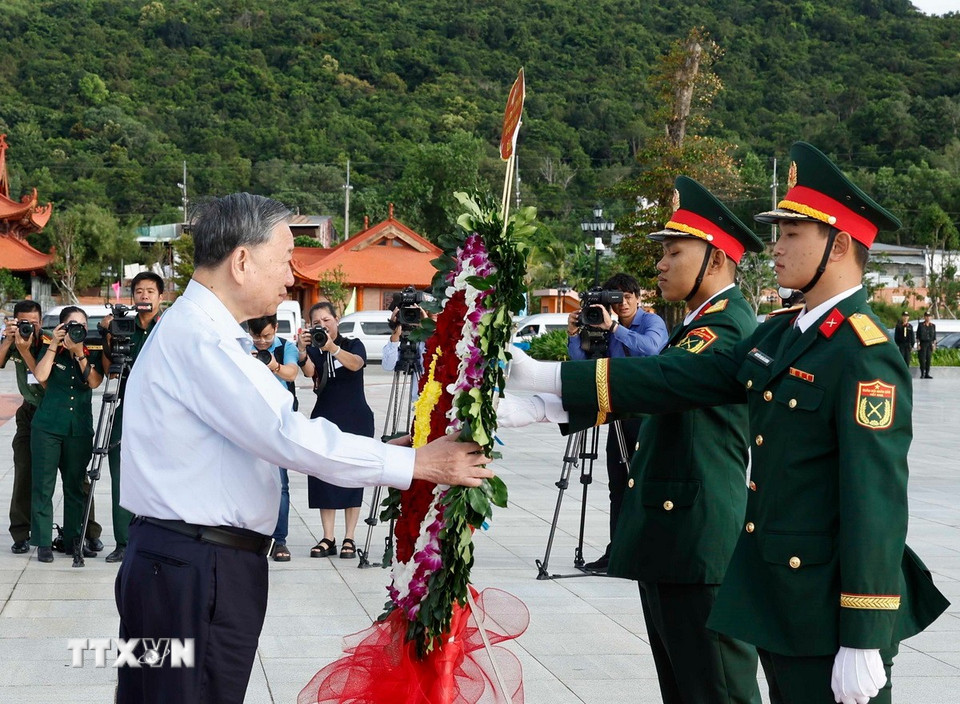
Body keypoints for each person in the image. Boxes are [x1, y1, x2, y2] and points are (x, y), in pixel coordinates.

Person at [503, 143, 949, 704]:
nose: (776, 246)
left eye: (792, 234)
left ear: (839, 246)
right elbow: (688, 379)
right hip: (777, 590)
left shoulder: (864, 350)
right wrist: (550, 395)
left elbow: (876, 501)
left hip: (827, 602)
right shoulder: (787, 332)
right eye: (779, 231)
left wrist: (865, 635)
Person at [114, 192, 492, 704]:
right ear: (242, 261)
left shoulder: (206, 332)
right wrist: (416, 464)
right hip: (189, 571)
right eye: (286, 259)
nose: (292, 277)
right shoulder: (199, 340)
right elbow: (286, 437)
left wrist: (390, 449)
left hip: (191, 564)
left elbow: (272, 429)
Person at [608, 176, 764, 704]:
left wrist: (548, 384)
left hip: (699, 541)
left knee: (716, 691)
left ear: (716, 259)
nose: (660, 264)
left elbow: (659, 382)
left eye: (675, 251)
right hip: (679, 537)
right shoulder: (698, 324)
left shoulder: (724, 329)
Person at [565, 272, 668, 571]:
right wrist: (575, 335)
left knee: (643, 484)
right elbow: (584, 365)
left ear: (637, 298)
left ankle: (646, 549)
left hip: (647, 415)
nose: (622, 303)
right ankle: (616, 551)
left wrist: (614, 329)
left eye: (626, 297)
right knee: (617, 486)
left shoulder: (651, 322)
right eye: (615, 298)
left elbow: (651, 349)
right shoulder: (599, 323)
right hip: (618, 414)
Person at [100, 271, 165, 564]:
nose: (144, 296)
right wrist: (108, 337)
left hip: (163, 412)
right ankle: (124, 542)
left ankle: (161, 540)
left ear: (160, 297)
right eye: (139, 291)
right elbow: (109, 370)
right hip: (127, 408)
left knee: (162, 477)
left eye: (150, 291)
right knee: (121, 478)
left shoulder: (169, 327)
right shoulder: (123, 327)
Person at [30, 306, 104, 563]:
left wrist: (78, 354)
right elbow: (40, 375)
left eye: (81, 325)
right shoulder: (50, 347)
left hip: (78, 430)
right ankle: (42, 543)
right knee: (43, 486)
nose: (77, 329)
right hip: (48, 428)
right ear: (60, 327)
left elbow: (94, 382)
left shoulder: (91, 351)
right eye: (71, 324)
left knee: (75, 487)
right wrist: (54, 347)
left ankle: (74, 539)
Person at [300, 301, 372, 561]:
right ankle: (328, 536)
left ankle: (350, 537)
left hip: (355, 418)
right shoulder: (314, 348)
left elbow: (356, 364)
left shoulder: (353, 343)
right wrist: (302, 351)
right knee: (323, 475)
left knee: (353, 475)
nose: (322, 326)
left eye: (326, 320)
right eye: (316, 323)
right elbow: (310, 372)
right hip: (325, 418)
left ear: (336, 319)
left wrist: (332, 347)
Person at [247, 313, 300, 562]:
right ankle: (250, 535)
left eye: (267, 336)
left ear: (276, 328)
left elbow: (291, 373)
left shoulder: (286, 346)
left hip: (278, 423)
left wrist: (272, 365)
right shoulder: (243, 347)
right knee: (246, 478)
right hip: (248, 420)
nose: (261, 341)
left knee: (281, 483)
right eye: (256, 336)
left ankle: (279, 540)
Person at [0, 301, 45, 554]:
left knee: (75, 475)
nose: (29, 327)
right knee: (24, 469)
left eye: (34, 322)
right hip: (28, 412)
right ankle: (20, 533)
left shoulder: (51, 342)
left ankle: (85, 531)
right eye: (23, 322)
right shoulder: (14, 342)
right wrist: (8, 340)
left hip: (53, 411)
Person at [917, 312, 936, 378]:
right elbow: (918, 336)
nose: (928, 318)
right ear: (924, 317)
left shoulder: (932, 325)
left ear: (931, 317)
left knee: (928, 359)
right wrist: (918, 344)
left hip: (929, 344)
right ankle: (922, 373)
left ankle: (927, 373)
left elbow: (934, 337)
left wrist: (934, 345)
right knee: (922, 359)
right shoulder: (921, 325)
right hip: (923, 343)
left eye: (929, 316)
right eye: (926, 316)